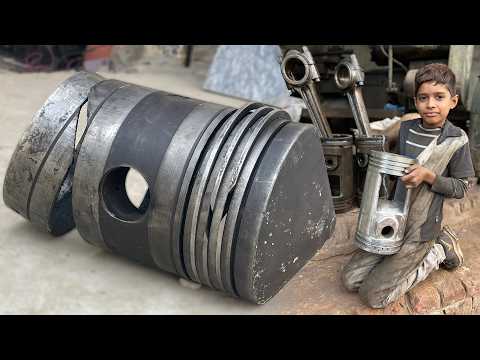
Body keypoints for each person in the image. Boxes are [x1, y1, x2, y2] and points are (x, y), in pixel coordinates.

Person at [342, 63, 475, 309]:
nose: (431, 104)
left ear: (453, 101)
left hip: (419, 230)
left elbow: (462, 187)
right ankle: (396, 260)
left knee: (373, 296)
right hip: (393, 221)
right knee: (350, 280)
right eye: (423, 98)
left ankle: (438, 250)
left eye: (439, 97)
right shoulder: (406, 129)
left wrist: (429, 176)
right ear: (415, 101)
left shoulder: (456, 140)